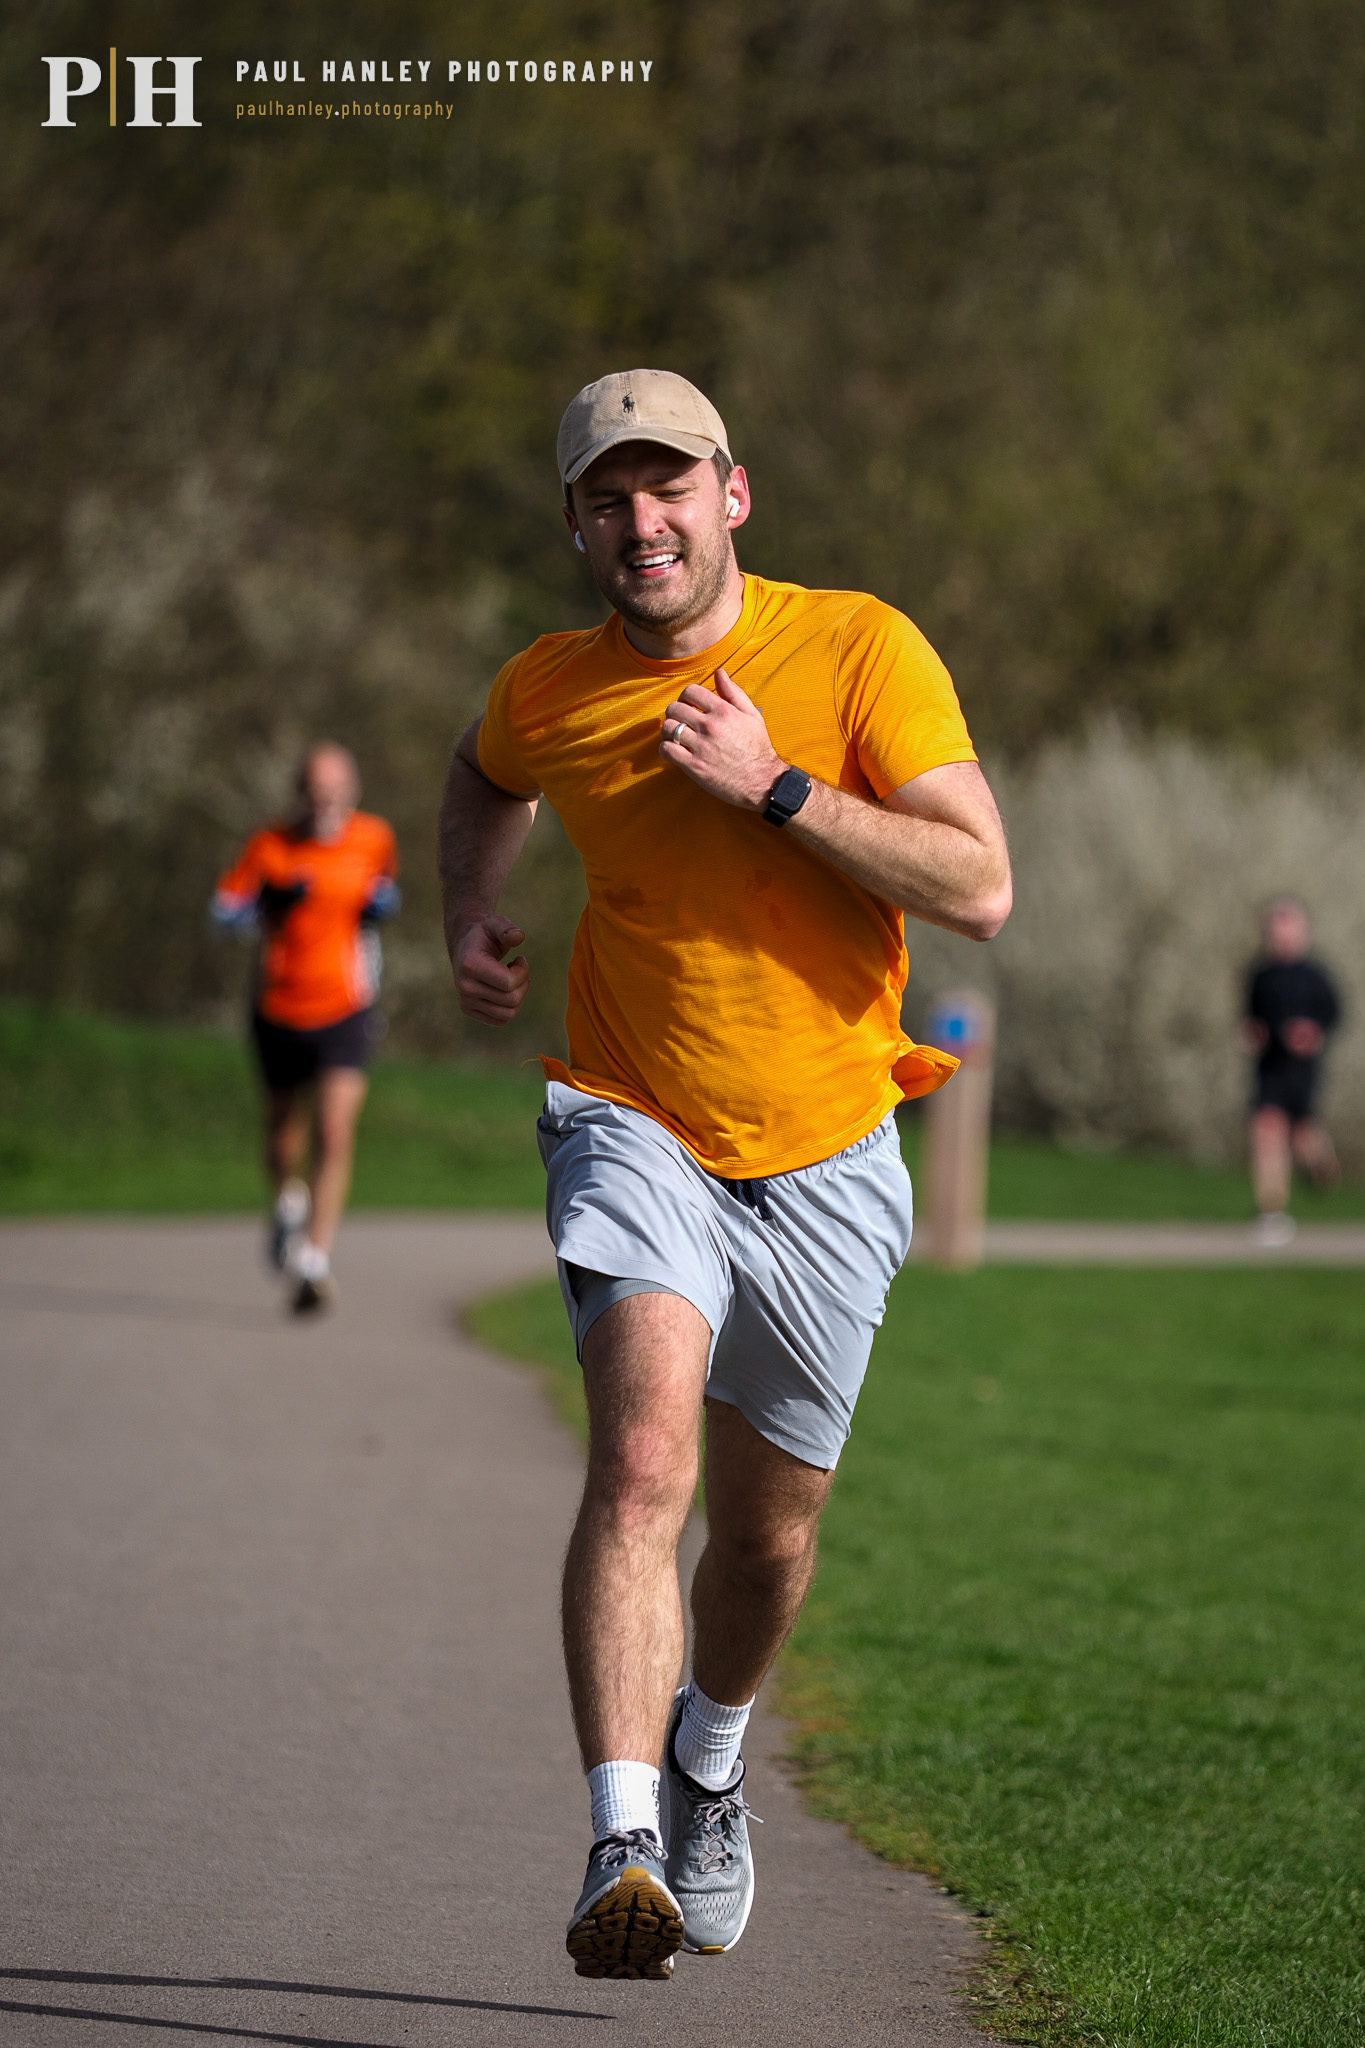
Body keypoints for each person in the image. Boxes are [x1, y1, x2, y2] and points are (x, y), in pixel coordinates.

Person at [437, 369, 1012, 1981]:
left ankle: (708, 1756)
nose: (644, 523)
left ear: (732, 494)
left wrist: (772, 783)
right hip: (632, 1118)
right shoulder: (549, 690)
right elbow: (482, 774)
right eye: (609, 498)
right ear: (574, 522)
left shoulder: (858, 648)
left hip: (830, 1151)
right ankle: (621, 1842)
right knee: (638, 1470)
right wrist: (467, 909)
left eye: (669, 487)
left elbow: (981, 884)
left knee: (765, 1540)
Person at [211, 743, 399, 1312]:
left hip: (346, 1007)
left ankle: (314, 1261)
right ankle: (287, 1202)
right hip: (278, 1009)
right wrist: (262, 906)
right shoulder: (268, 844)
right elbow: (221, 913)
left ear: (353, 793)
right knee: (281, 1137)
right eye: (315, 793)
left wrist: (381, 904)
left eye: (335, 793)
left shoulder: (374, 838)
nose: (325, 804)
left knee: (336, 1131)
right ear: (299, 795)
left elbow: (386, 888)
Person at [1241, 896, 1343, 1245]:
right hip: (1269, 1067)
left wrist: (1313, 1032)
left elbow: (1334, 1015)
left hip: (1302, 1070)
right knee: (1266, 1131)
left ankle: (1323, 1166)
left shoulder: (1316, 976)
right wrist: (1251, 1033)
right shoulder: (1260, 975)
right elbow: (1250, 1017)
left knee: (1302, 1139)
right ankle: (1271, 1213)